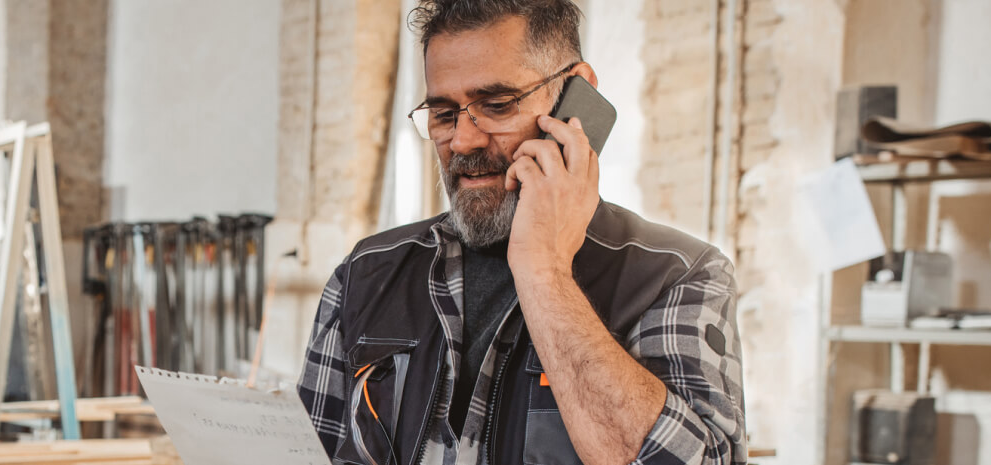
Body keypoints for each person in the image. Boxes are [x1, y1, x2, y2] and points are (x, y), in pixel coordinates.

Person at [296, 1, 746, 464]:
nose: (464, 141)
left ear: (577, 97)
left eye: (496, 105)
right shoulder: (365, 274)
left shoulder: (675, 277)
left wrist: (545, 274)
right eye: (444, 113)